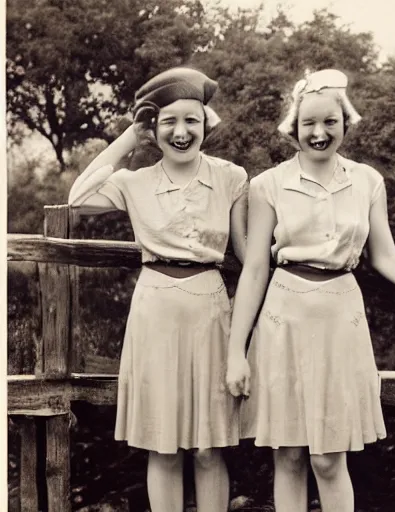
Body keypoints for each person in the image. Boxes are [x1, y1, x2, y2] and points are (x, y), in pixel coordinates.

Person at [225, 69, 395, 512]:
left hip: (341, 317)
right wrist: (235, 351)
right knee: (287, 454)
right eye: (309, 123)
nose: (319, 133)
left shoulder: (367, 181)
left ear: (346, 122)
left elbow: (386, 256)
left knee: (328, 458)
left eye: (330, 122)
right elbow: (255, 269)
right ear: (293, 127)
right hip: (284, 316)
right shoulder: (268, 184)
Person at [68, 67, 248, 512]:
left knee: (209, 447)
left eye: (191, 120)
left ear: (207, 123)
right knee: (163, 446)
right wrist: (131, 135)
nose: (181, 132)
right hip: (155, 311)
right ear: (154, 129)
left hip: (211, 312)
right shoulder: (135, 182)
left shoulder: (232, 177)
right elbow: (76, 199)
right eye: (168, 121)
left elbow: (249, 255)